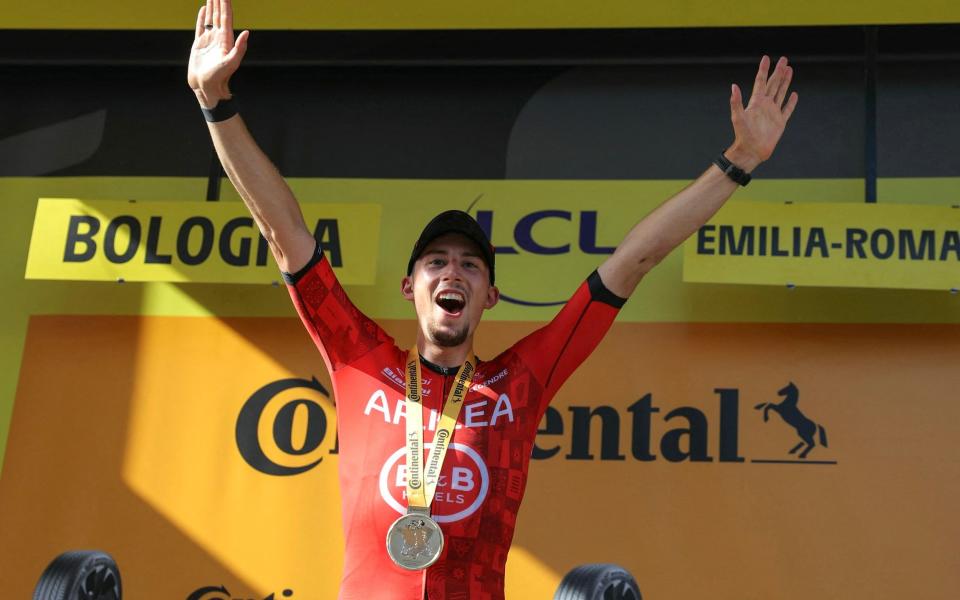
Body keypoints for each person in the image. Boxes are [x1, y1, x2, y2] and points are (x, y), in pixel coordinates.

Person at [187, 1, 798, 598]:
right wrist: (216, 104)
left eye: (470, 266)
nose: (453, 272)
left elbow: (632, 262)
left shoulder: (518, 383)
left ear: (489, 296)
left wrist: (738, 161)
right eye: (436, 262)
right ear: (410, 288)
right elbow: (281, 230)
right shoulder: (358, 359)